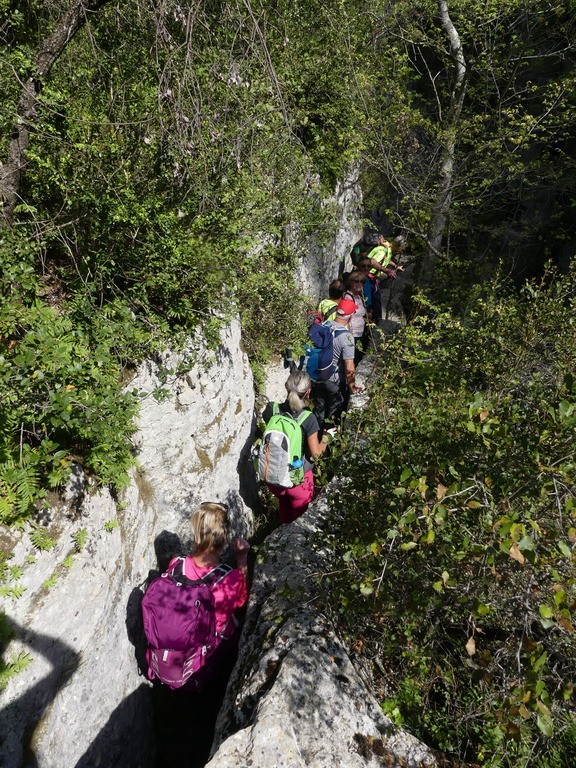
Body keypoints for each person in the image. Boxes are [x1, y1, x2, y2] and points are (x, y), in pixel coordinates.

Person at [152, 502, 249, 768]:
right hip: (204, 669)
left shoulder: (175, 566)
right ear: (225, 538)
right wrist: (241, 559)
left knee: (180, 720)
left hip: (168, 663)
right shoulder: (226, 579)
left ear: (196, 533)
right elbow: (241, 603)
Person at [262, 370, 328, 524]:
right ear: (308, 392)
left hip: (275, 477)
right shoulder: (308, 418)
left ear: (287, 387)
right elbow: (316, 454)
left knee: (284, 505)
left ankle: (279, 535)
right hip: (298, 482)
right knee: (298, 525)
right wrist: (326, 438)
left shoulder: (272, 410)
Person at [311, 297, 363, 429]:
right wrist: (351, 387)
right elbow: (349, 366)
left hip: (318, 377)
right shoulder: (346, 337)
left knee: (319, 411)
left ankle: (313, 440)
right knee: (333, 415)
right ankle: (326, 446)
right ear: (350, 317)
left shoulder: (323, 326)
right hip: (335, 381)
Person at [343, 271, 369, 366]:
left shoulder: (358, 297)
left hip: (359, 333)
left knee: (356, 358)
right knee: (350, 360)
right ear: (350, 282)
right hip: (351, 334)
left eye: (362, 282)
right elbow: (345, 318)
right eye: (356, 281)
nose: (359, 284)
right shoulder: (348, 298)